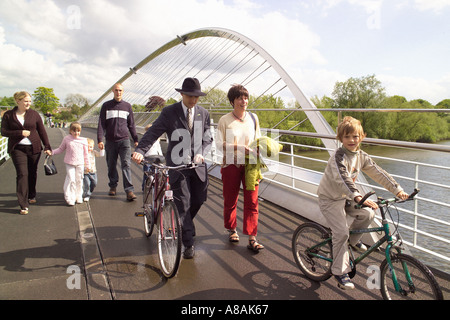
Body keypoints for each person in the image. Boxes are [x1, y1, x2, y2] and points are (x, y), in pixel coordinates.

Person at [317, 116, 409, 290]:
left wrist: (398, 190)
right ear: (340, 139)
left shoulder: (361, 156)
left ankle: (351, 242)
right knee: (341, 232)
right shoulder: (339, 156)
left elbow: (378, 173)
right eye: (347, 137)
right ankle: (339, 271)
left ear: (362, 137)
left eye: (355, 136)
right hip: (330, 199)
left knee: (369, 214)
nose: (352, 140)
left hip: (346, 197)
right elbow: (343, 178)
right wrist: (357, 196)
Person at [132, 77, 213, 259]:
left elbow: (208, 138)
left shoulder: (203, 113)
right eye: (190, 96)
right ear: (182, 94)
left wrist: (201, 153)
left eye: (196, 97)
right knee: (182, 204)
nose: (193, 100)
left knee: (198, 200)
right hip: (178, 166)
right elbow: (153, 132)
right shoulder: (170, 112)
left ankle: (181, 223)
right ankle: (188, 242)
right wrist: (140, 150)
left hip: (198, 166)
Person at [217, 84, 265, 252]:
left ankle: (252, 237)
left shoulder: (253, 118)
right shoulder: (225, 120)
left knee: (252, 201)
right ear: (232, 101)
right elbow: (218, 144)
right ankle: (232, 229)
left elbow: (257, 138)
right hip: (231, 163)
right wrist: (237, 147)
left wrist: (260, 148)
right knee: (231, 199)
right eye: (239, 98)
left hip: (250, 164)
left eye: (245, 97)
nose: (244, 101)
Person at [1, 91, 52, 215]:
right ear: (18, 101)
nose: (28, 103)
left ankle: (31, 194)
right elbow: (4, 131)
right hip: (17, 148)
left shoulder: (34, 114)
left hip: (34, 148)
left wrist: (47, 146)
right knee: (22, 174)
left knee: (32, 172)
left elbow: (42, 131)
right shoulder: (9, 115)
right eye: (25, 101)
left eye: (29, 101)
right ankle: (23, 204)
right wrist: (20, 133)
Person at [97, 83, 139, 201]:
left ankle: (129, 190)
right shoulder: (106, 106)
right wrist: (100, 139)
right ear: (113, 91)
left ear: (123, 92)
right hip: (110, 141)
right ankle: (113, 186)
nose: (118, 92)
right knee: (111, 165)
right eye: (116, 90)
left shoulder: (127, 106)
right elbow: (101, 124)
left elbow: (131, 125)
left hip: (124, 141)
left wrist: (135, 139)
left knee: (126, 164)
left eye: (120, 90)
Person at [51, 122, 90, 206]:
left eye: (78, 131)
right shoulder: (66, 139)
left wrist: (87, 165)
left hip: (80, 163)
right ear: (70, 131)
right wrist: (52, 152)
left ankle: (78, 196)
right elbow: (61, 149)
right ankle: (70, 197)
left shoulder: (83, 140)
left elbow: (86, 154)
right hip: (69, 163)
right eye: (74, 131)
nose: (77, 133)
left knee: (79, 180)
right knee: (71, 180)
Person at [141, 123, 163, 191]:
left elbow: (159, 149)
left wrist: (161, 157)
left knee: (155, 173)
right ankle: (145, 188)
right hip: (147, 158)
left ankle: (153, 187)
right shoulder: (145, 139)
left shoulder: (157, 140)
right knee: (146, 174)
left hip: (155, 158)